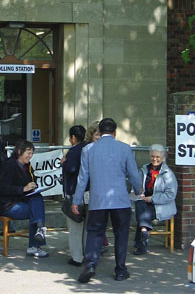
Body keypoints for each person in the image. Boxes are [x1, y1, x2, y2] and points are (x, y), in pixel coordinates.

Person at [72, 118, 142, 283]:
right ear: (115, 132)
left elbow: (83, 178)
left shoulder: (88, 149)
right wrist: (139, 188)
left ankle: (90, 265)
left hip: (97, 200)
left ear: (100, 132)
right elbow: (133, 174)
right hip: (120, 200)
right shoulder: (125, 149)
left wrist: (77, 200)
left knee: (94, 233)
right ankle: (120, 270)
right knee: (121, 234)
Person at [0, 140, 49, 258]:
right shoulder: (8, 166)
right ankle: (35, 245)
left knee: (37, 198)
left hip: (21, 199)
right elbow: (4, 189)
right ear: (19, 152)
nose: (30, 156)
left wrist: (34, 187)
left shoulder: (27, 166)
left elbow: (31, 181)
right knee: (35, 211)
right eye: (28, 153)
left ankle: (39, 232)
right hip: (7, 204)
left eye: (32, 153)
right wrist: (23, 189)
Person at [133, 144, 178, 255]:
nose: (155, 159)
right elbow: (137, 185)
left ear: (163, 157)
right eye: (153, 156)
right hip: (144, 201)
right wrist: (138, 192)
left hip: (161, 205)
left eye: (157, 157)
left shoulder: (168, 174)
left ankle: (142, 240)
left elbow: (171, 195)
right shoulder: (144, 169)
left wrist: (152, 199)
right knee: (140, 205)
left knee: (143, 213)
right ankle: (144, 230)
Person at [61, 125, 87, 266]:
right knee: (86, 228)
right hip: (89, 192)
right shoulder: (89, 149)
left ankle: (77, 257)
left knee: (75, 226)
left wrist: (64, 163)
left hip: (75, 191)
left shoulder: (73, 151)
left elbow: (71, 168)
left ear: (73, 138)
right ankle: (87, 253)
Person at [85, 121, 109, 250]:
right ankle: (96, 244)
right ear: (91, 135)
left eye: (101, 135)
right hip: (90, 189)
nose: (99, 138)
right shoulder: (87, 150)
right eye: (97, 135)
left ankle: (100, 241)